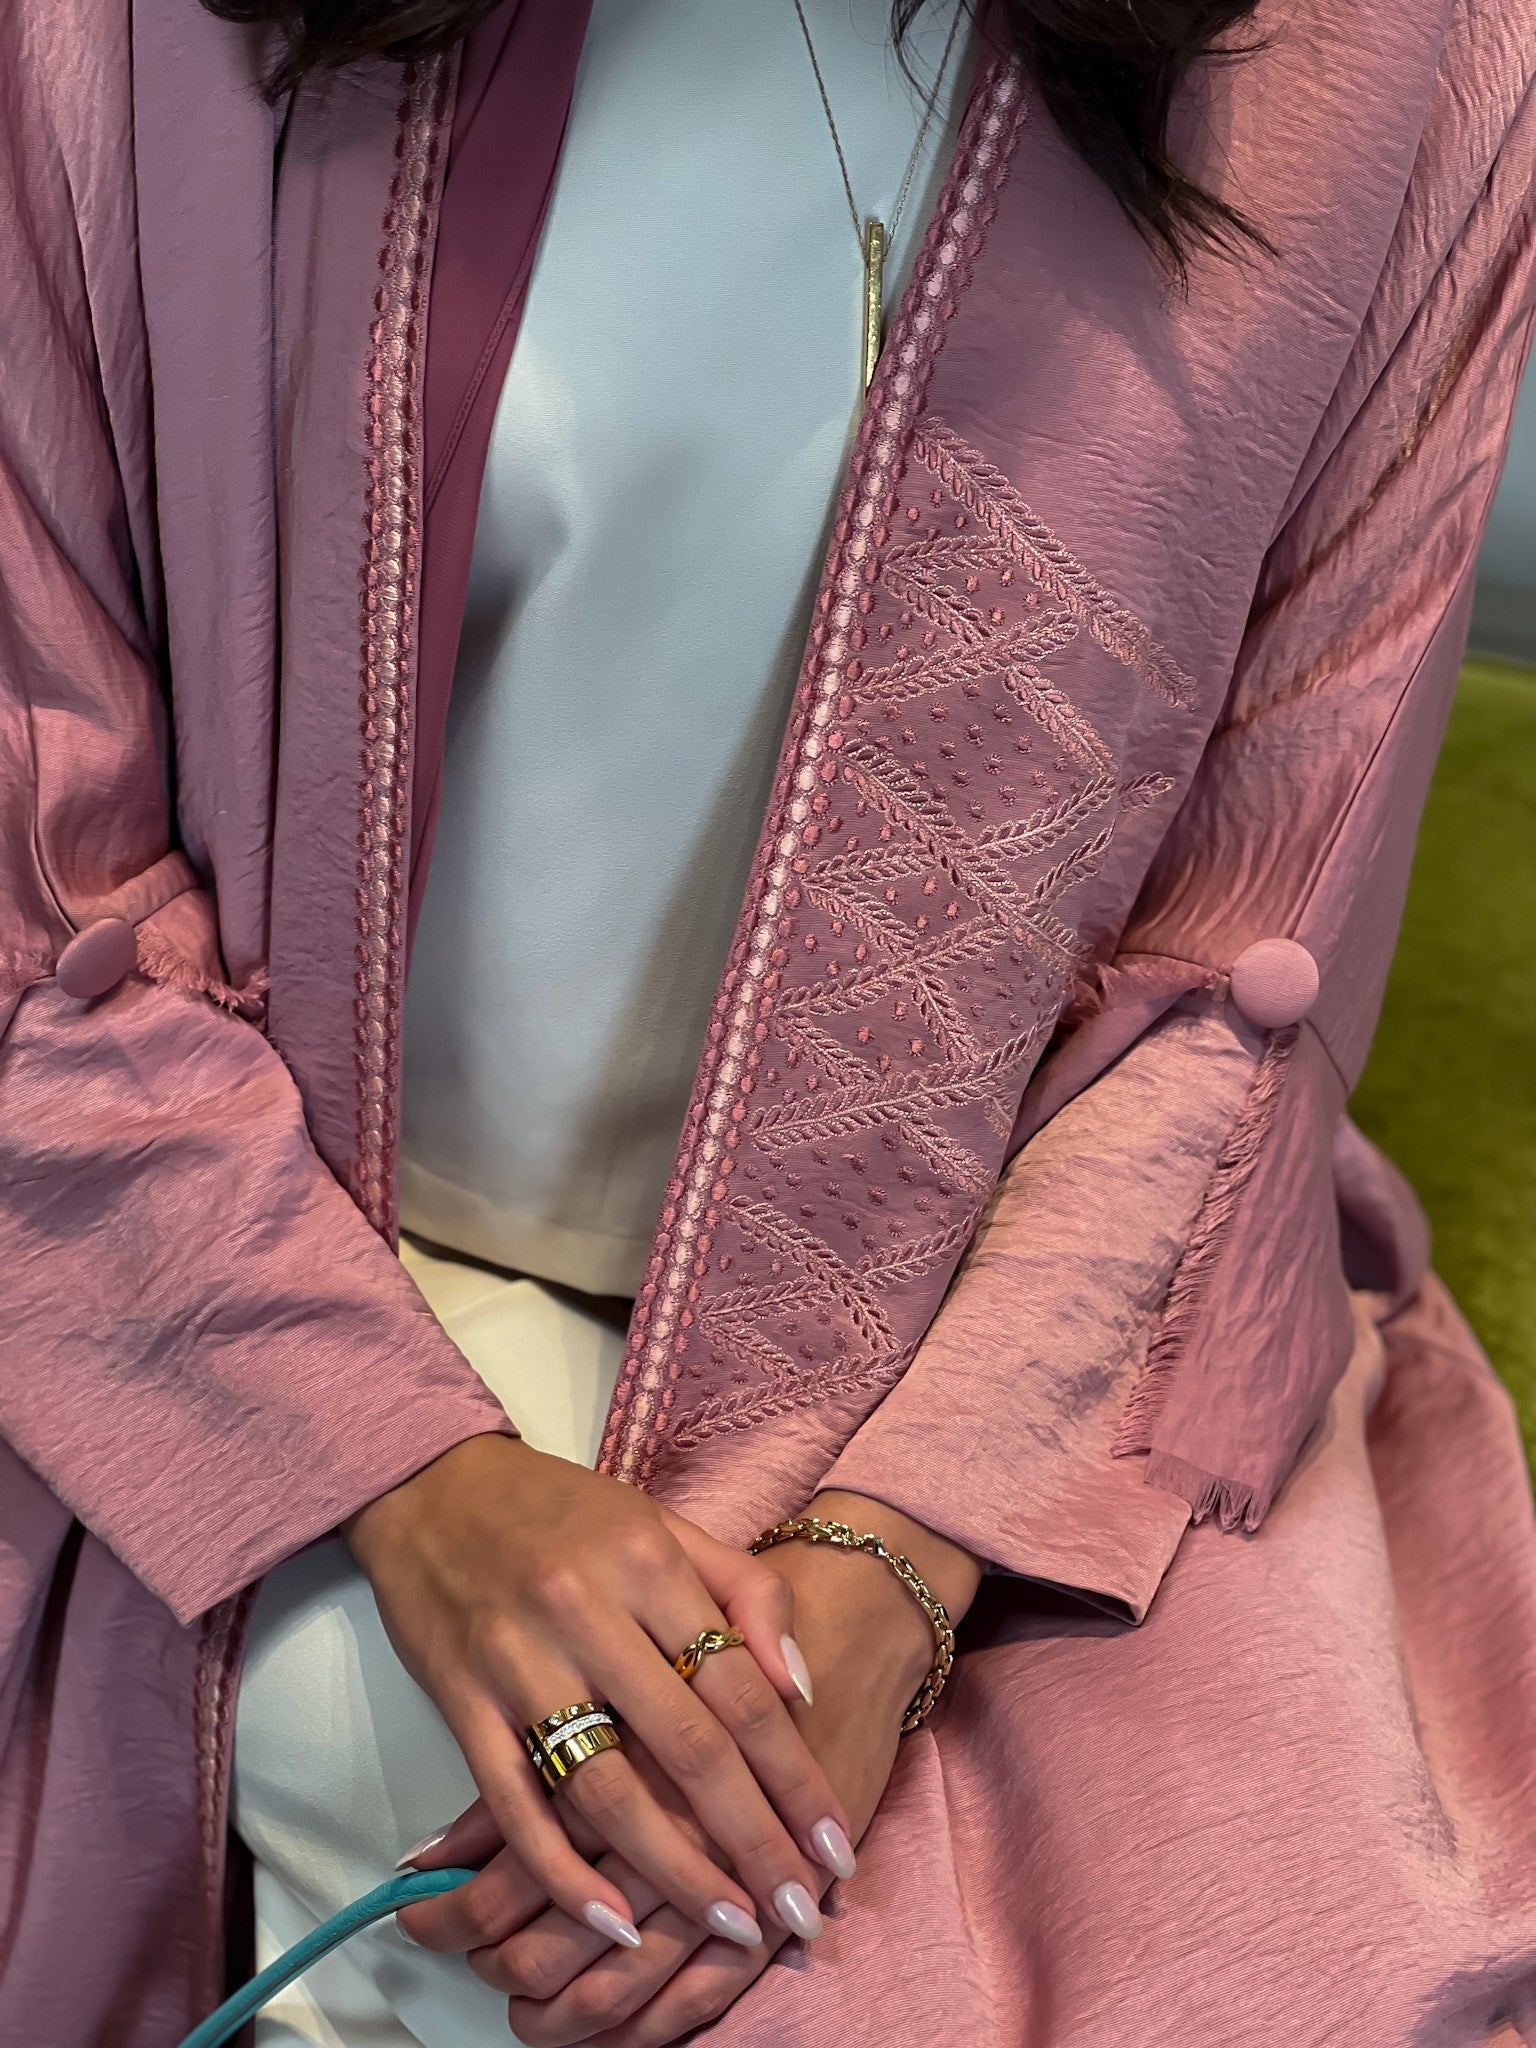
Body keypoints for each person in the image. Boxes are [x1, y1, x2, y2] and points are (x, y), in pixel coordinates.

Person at [2, 0, 1535, 2043]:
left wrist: (891, 1572)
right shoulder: (112, 46)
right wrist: (413, 1481)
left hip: (1000, 1368)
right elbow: (42, 884)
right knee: (482, 1905)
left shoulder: (1414, 74)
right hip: (226, 1262)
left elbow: (1248, 955)